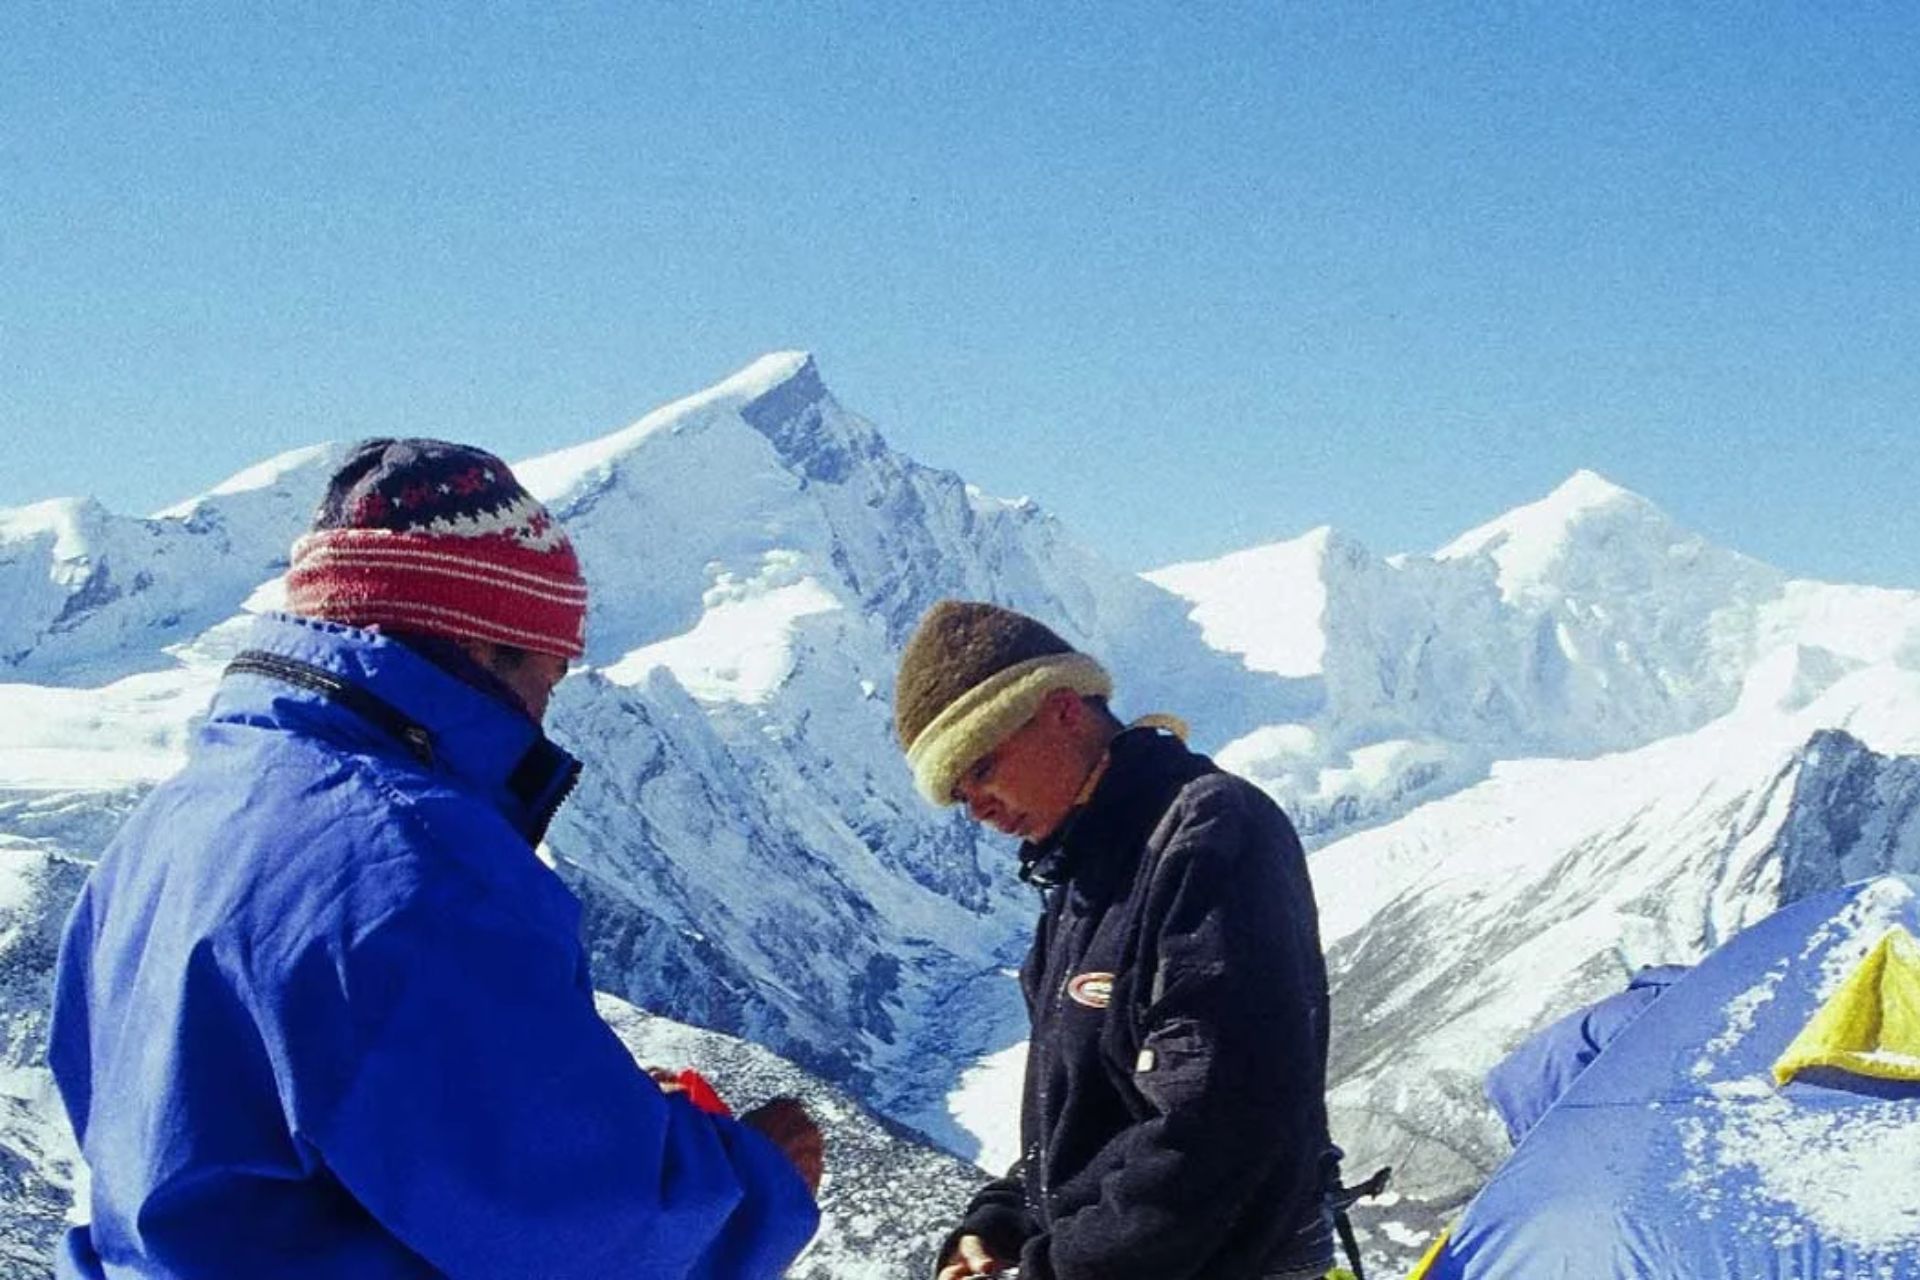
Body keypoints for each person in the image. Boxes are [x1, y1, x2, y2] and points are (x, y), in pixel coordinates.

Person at [48, 439, 823, 1279]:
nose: (541, 717)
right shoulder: (425, 865)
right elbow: (585, 1235)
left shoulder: (165, 830)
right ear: (484, 646)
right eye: (549, 677)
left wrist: (586, 1104)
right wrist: (757, 1183)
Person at [895, 600, 1338, 1280]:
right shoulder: (1083, 870)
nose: (977, 808)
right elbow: (1088, 1113)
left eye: (981, 767)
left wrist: (1049, 1272)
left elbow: (1215, 1125)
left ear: (1062, 710)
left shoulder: (1208, 833)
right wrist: (1002, 1221)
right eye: (959, 794)